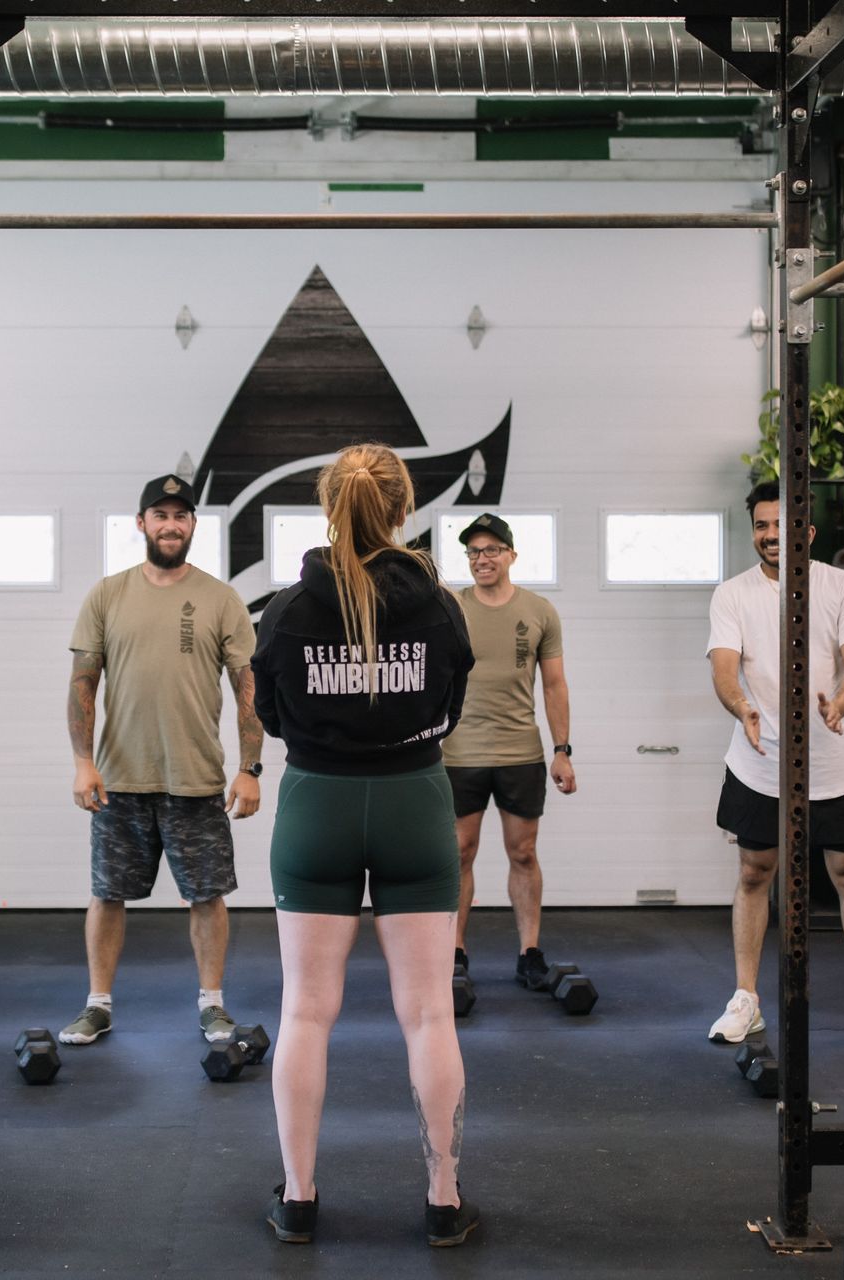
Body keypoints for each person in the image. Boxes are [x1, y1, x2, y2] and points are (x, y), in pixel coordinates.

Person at [252, 443, 480, 1248]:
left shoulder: (283, 608)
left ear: (328, 505)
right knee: (428, 1014)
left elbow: (270, 713)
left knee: (305, 1012)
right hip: (415, 798)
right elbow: (450, 706)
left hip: (317, 801)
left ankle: (301, 1200)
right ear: (402, 507)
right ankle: (443, 1200)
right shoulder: (442, 605)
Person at [705, 481, 844, 1051]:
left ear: (808, 532)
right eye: (763, 526)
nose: (772, 536)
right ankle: (746, 999)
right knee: (754, 874)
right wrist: (741, 704)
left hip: (835, 762)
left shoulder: (843, 585)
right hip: (760, 759)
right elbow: (724, 667)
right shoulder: (732, 594)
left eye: (783, 525)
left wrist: (838, 705)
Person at [61, 473, 262, 1048]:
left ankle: (213, 1005)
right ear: (141, 524)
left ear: (193, 525)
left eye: (181, 516)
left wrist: (250, 768)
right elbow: (82, 684)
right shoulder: (107, 594)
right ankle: (98, 1004)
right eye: (160, 515)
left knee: (207, 894)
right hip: (120, 776)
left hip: (196, 779)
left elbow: (249, 689)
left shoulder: (222, 598)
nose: (170, 525)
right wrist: (83, 761)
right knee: (107, 892)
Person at [442, 513, 576, 989]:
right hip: (459, 753)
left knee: (523, 852)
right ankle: (454, 952)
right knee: (459, 852)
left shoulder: (539, 611)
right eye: (474, 552)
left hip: (521, 752)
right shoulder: (450, 608)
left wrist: (562, 750)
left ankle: (529, 952)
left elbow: (555, 684)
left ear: (511, 556)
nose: (482, 559)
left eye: (492, 550)